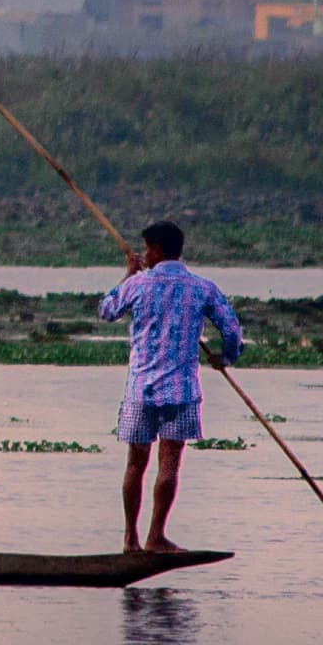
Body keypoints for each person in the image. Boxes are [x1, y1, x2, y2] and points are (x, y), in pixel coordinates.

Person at [94, 220, 242, 555]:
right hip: (181, 391)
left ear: (158, 249)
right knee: (169, 464)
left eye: (147, 248)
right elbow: (232, 328)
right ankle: (156, 536)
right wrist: (225, 357)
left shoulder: (139, 284)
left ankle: (131, 538)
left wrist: (129, 274)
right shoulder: (201, 287)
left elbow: (106, 310)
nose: (144, 254)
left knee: (136, 464)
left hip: (141, 390)